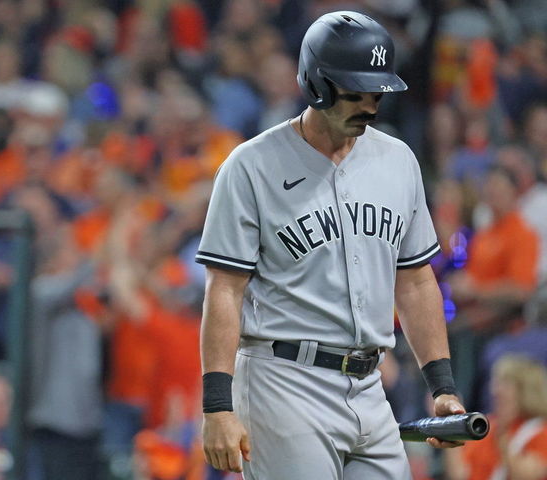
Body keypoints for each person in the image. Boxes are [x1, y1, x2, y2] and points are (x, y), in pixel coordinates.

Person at [195, 11, 466, 479]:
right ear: (317, 84)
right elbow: (224, 289)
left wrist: (441, 386)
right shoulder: (251, 166)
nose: (371, 104)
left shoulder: (398, 161)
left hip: (370, 385)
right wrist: (217, 405)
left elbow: (417, 280)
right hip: (284, 382)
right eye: (355, 92)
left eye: (377, 91)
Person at [445, 355, 547, 480]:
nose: (495, 390)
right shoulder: (485, 426)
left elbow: (525, 476)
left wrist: (503, 437)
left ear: (526, 391)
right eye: (497, 382)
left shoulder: (540, 431)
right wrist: (450, 425)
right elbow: (460, 475)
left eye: (506, 384)